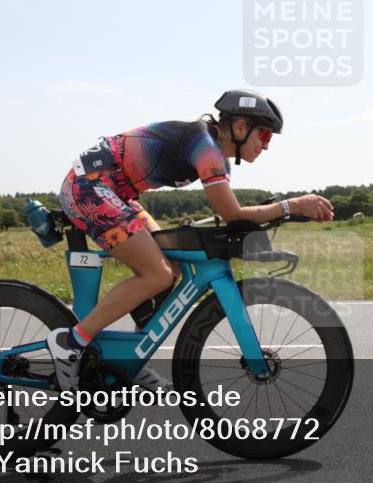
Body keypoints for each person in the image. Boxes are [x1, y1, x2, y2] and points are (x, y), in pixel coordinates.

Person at [46, 89, 335, 391]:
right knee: (156, 273)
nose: (266, 146)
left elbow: (232, 214)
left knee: (174, 267)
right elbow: (232, 212)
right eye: (264, 136)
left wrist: (289, 211)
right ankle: (70, 342)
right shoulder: (205, 148)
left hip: (113, 192)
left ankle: (131, 358)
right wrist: (293, 205)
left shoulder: (213, 152)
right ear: (239, 127)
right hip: (89, 188)